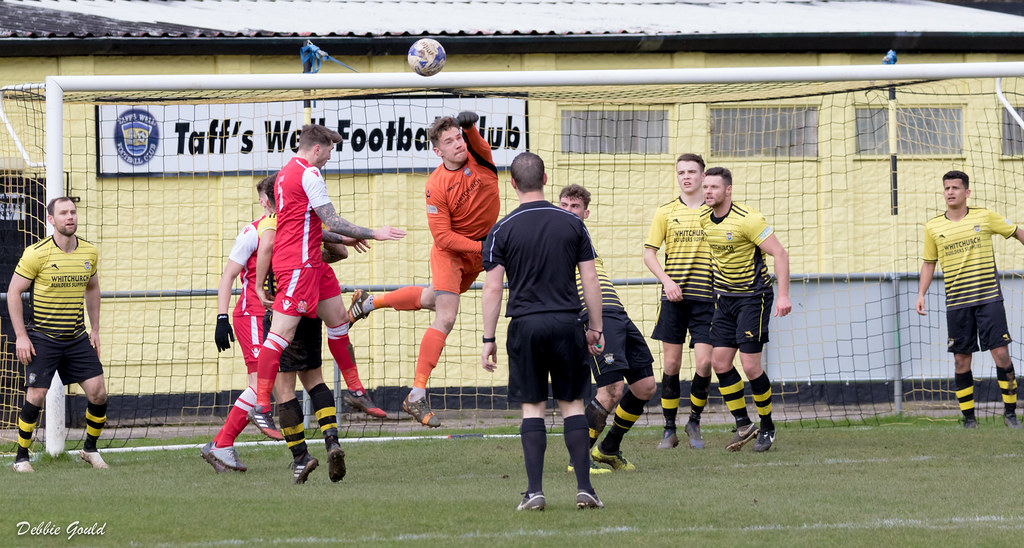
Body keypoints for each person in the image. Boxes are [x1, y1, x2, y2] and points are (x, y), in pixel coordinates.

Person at [201, 176, 373, 473]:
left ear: (272, 200)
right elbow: (228, 276)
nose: (260, 203)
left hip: (287, 314)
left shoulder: (296, 228)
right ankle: (223, 443)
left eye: (262, 198)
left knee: (297, 381)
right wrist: (221, 316)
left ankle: (228, 445)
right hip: (255, 315)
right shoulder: (254, 232)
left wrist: (323, 252)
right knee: (262, 387)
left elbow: (336, 251)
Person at [247, 124, 405, 435]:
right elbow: (331, 218)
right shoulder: (310, 174)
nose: (330, 157)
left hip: (313, 264)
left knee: (338, 321)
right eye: (330, 150)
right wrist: (376, 233)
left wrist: (341, 241)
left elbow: (306, 224)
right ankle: (261, 406)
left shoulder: (283, 174)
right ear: (317, 148)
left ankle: (357, 391)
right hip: (298, 266)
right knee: (279, 335)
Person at [347, 111, 499, 428]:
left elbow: (475, 138)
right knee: (445, 314)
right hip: (451, 253)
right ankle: (416, 395)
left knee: (432, 298)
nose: (457, 144)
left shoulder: (480, 158)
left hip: (477, 252)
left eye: (459, 137)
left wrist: (469, 126)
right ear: (437, 151)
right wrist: (483, 249)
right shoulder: (435, 185)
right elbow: (443, 236)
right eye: (449, 141)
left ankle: (368, 303)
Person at [481, 152, 606, 511]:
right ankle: (585, 489)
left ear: (513, 183)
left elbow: (492, 289)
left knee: (533, 407)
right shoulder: (573, 224)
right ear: (546, 180)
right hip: (568, 324)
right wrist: (595, 326)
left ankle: (535, 492)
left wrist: (488, 338)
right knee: (573, 405)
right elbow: (590, 277)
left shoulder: (501, 228)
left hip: (526, 325)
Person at [558, 184, 656, 473]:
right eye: (563, 205)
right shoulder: (557, 239)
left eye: (574, 206)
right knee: (611, 389)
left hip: (618, 313)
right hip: (593, 317)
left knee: (645, 386)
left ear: (586, 212)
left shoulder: (583, 238)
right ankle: (578, 459)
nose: (568, 211)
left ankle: (608, 449)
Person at [915, 170, 1023, 429]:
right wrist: (921, 294)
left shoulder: (984, 217)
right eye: (946, 188)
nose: (950, 192)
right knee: (961, 359)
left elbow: (1018, 231)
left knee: (1001, 355)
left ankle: (1010, 414)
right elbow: (929, 263)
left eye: (955, 187)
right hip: (957, 303)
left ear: (967, 192)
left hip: (989, 300)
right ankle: (969, 419)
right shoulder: (933, 227)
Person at [9, 197, 109, 472]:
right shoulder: (36, 253)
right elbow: (14, 292)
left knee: (98, 393)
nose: (70, 217)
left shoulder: (89, 252)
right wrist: (21, 335)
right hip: (42, 336)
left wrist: (95, 329)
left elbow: (92, 287)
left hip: (76, 337)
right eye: (63, 213)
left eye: (73, 212)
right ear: (50, 220)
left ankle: (90, 449)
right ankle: (21, 457)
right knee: (37, 395)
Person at [699, 167, 791, 453]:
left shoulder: (749, 220)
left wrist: (784, 296)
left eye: (714, 187)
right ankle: (743, 424)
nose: (708, 192)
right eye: (705, 187)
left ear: (728, 190)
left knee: (751, 366)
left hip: (754, 298)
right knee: (720, 363)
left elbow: (780, 253)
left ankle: (767, 426)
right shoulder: (704, 218)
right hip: (724, 300)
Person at [643, 153, 715, 450]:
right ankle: (668, 428)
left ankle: (694, 421)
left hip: (708, 300)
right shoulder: (665, 212)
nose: (686, 176)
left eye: (692, 172)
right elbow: (649, 253)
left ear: (702, 176)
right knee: (671, 363)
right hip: (674, 298)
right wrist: (667, 281)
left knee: (705, 362)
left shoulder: (716, 211)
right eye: (681, 172)